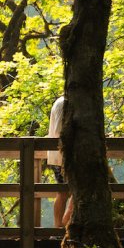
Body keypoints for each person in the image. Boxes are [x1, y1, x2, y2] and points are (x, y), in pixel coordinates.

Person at [45, 95, 72, 227]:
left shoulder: (63, 102)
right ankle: (60, 228)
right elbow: (58, 132)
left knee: (65, 192)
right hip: (62, 156)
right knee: (63, 192)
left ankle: (60, 228)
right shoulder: (64, 103)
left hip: (60, 155)